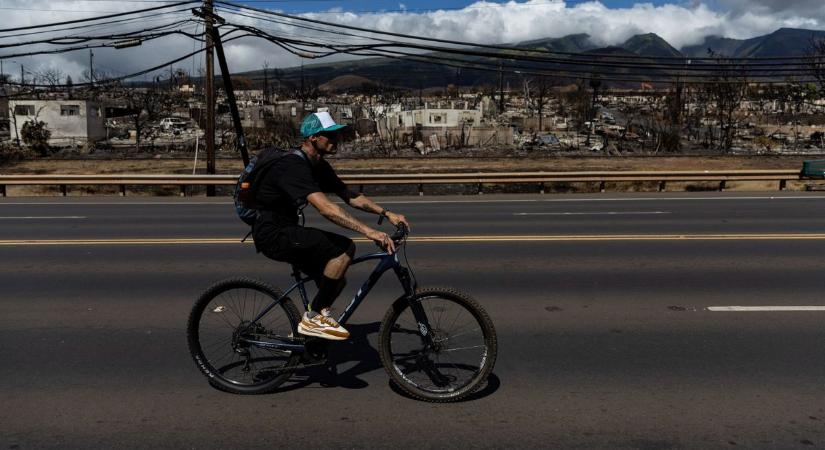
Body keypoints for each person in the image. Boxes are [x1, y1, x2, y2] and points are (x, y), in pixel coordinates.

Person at [252, 112, 409, 341]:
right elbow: (325, 208)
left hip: (288, 228)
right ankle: (313, 321)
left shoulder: (318, 166)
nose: (336, 137)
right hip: (273, 232)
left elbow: (350, 196)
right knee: (344, 250)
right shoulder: (293, 165)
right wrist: (369, 232)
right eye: (330, 134)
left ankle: (301, 338)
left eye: (337, 133)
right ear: (314, 137)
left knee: (336, 279)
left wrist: (386, 213)